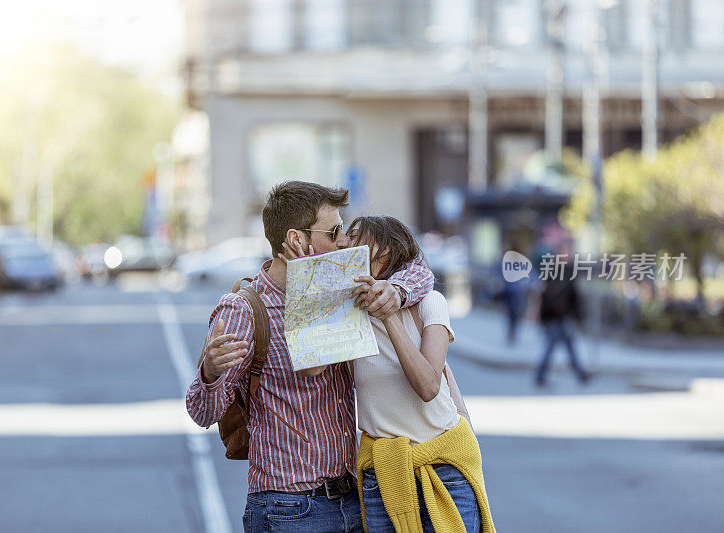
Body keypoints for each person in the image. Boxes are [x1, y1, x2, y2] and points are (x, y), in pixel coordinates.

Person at [186, 181, 434, 533]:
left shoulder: (340, 286)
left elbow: (419, 269)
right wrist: (210, 372)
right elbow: (200, 412)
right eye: (334, 232)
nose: (344, 242)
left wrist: (398, 290)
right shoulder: (244, 309)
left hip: (354, 499)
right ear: (296, 240)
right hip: (289, 507)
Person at [302, 216, 495, 533]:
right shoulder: (348, 315)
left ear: (385, 254)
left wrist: (389, 316)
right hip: (384, 473)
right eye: (346, 238)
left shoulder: (430, 303)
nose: (347, 245)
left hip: (445, 466)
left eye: (357, 239)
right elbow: (312, 365)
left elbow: (429, 385)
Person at [534, 243, 591, 387]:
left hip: (564, 315)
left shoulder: (569, 270)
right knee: (553, 346)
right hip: (556, 315)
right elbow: (545, 293)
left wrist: (579, 315)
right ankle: (542, 375)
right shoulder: (555, 270)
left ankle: (580, 374)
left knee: (567, 346)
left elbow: (575, 296)